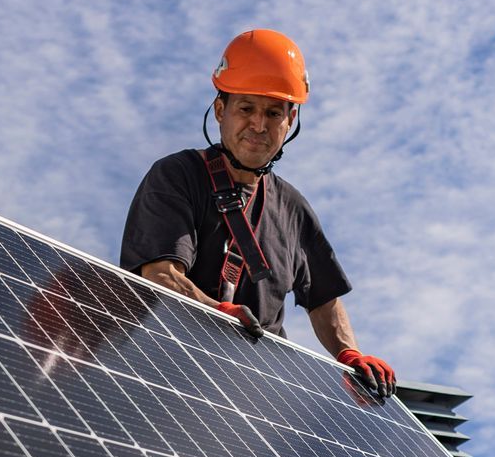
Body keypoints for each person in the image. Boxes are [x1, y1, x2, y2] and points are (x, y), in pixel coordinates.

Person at [119, 29, 396, 399]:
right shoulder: (177, 175)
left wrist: (350, 352)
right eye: (246, 108)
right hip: (166, 378)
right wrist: (217, 314)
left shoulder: (293, 208)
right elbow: (161, 276)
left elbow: (324, 299)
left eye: (273, 112)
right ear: (221, 110)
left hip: (256, 393)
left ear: (290, 120)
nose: (259, 125)